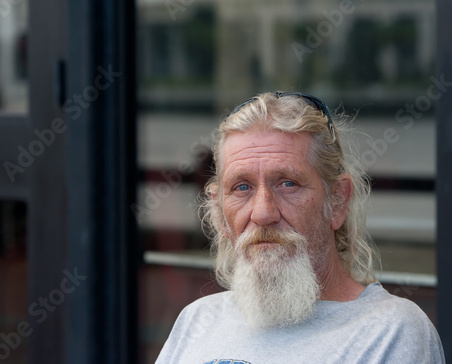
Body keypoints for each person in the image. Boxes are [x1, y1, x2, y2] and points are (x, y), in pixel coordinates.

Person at [156, 92, 445, 363]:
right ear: (220, 213)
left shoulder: (389, 331)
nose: (263, 213)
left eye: (288, 184)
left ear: (337, 201)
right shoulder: (197, 320)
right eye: (241, 187)